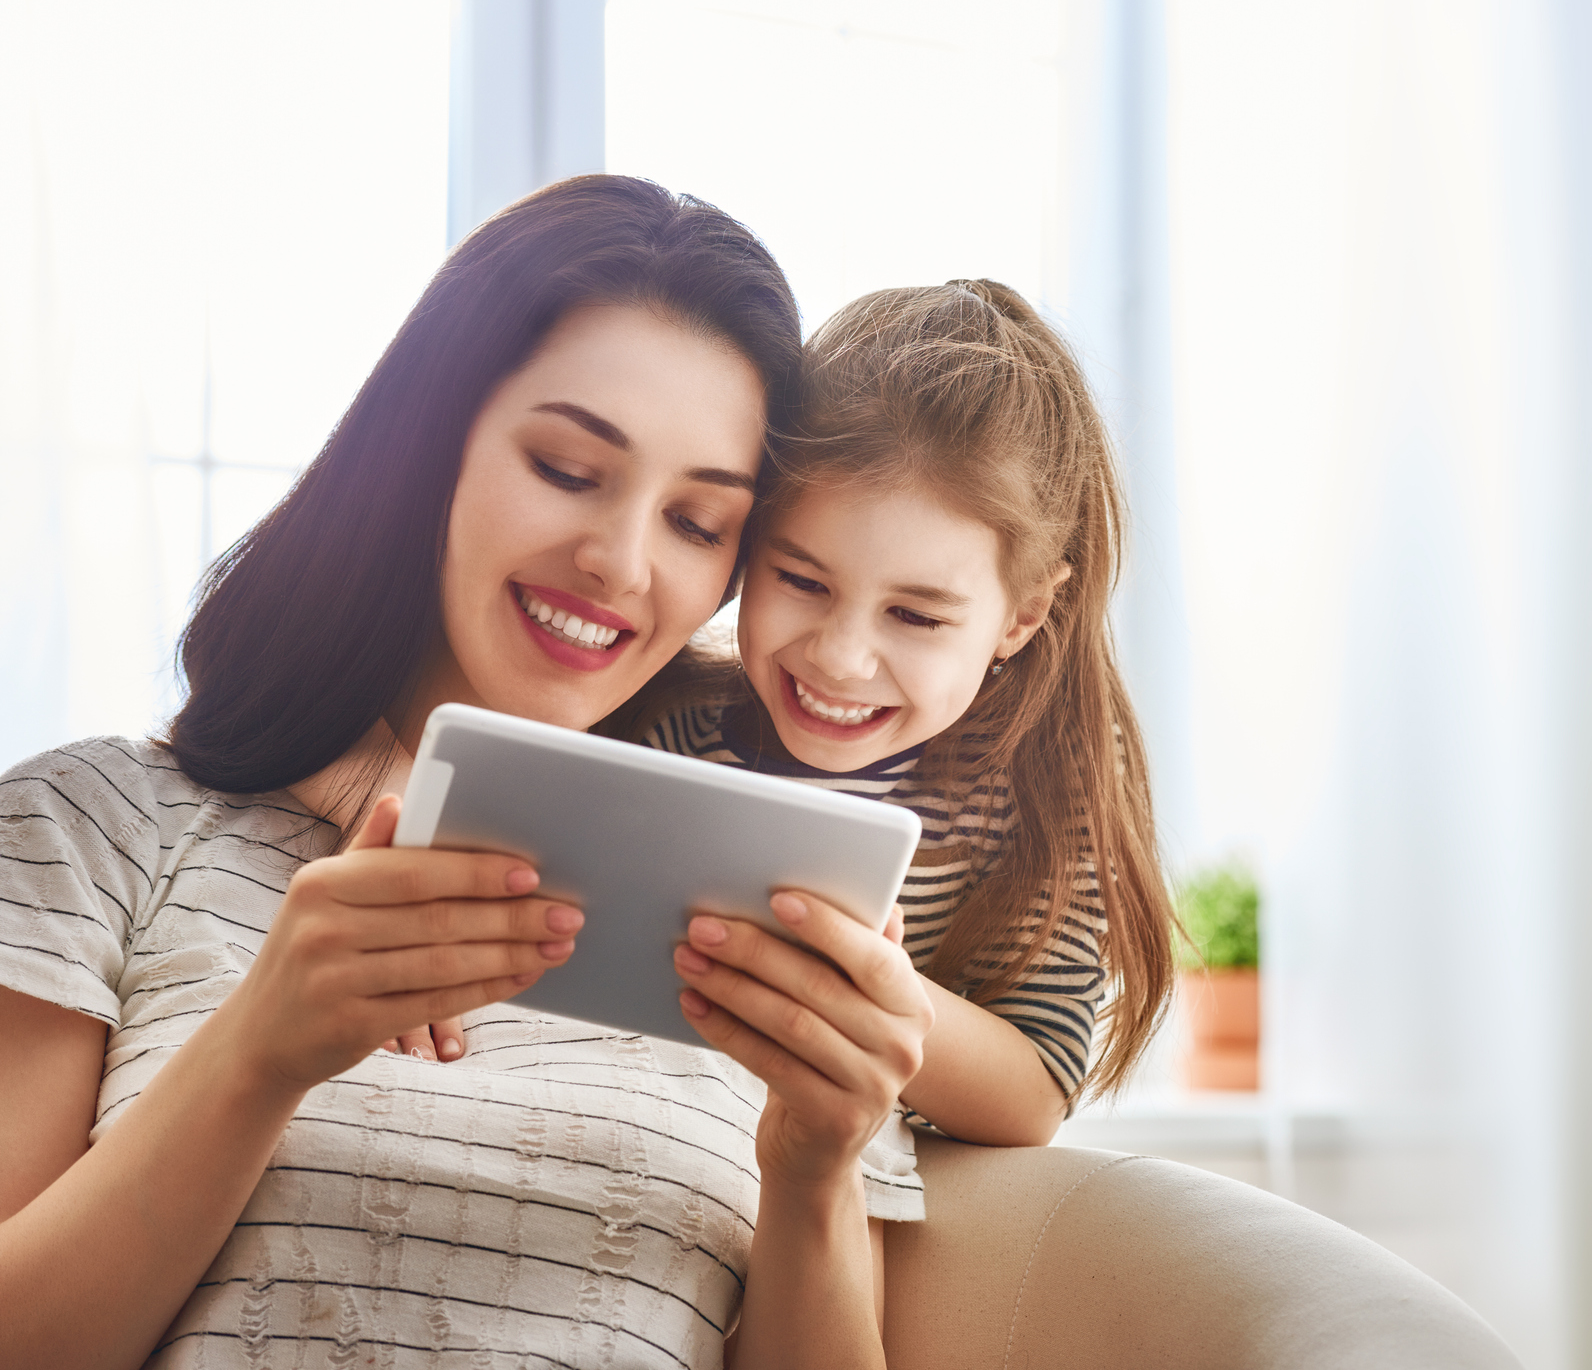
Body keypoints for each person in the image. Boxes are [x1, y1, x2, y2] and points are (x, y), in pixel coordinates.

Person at [0, 174, 929, 1369]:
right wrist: (259, 1051)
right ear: (430, 443)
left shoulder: (785, 934)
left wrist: (812, 1173)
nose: (618, 562)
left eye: (698, 525)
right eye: (566, 466)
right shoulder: (92, 830)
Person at [629, 279, 1178, 1144]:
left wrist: (860, 991)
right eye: (800, 581)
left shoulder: (1040, 787)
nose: (840, 658)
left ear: (1022, 617)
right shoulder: (667, 724)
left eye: (916, 616)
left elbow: (1034, 1095)